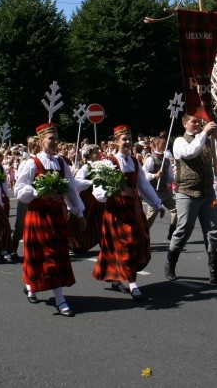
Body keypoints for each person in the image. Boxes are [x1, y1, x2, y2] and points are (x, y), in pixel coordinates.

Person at [14, 123, 86, 317]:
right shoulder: (32, 163)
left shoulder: (62, 163)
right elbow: (19, 190)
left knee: (56, 254)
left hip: (56, 215)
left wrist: (79, 212)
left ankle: (50, 293)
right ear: (40, 141)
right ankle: (46, 292)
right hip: (38, 214)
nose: (55, 141)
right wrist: (39, 191)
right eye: (51, 138)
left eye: (56, 138)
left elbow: (71, 188)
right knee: (39, 254)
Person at [92, 125, 162, 302]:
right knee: (126, 244)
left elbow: (144, 185)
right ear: (116, 142)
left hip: (134, 208)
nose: (128, 142)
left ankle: (116, 279)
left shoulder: (135, 162)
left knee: (139, 240)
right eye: (124, 139)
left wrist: (157, 203)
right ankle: (132, 283)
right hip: (117, 209)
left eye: (129, 139)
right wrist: (110, 192)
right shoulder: (109, 162)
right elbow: (98, 191)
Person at [165, 114, 217, 285]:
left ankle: (215, 272)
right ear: (185, 124)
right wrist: (204, 134)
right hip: (187, 192)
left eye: (199, 121)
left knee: (213, 232)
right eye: (194, 121)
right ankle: (171, 262)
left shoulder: (206, 139)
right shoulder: (179, 141)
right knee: (184, 229)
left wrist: (216, 137)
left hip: (207, 193)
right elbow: (190, 153)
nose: (198, 124)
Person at [66, 144, 103, 254]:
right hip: (87, 197)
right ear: (90, 155)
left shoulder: (102, 165)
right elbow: (77, 182)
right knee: (81, 220)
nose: (99, 153)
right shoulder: (86, 167)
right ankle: (74, 242)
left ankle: (103, 241)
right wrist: (91, 182)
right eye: (96, 152)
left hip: (99, 198)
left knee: (99, 219)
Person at [143, 135, 176, 236]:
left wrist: (175, 178)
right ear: (156, 145)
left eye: (166, 143)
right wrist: (154, 175)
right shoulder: (151, 159)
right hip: (154, 192)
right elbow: (143, 176)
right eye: (163, 143)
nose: (165, 144)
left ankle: (172, 230)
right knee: (151, 216)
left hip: (165, 192)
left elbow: (170, 177)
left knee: (176, 210)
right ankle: (143, 234)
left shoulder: (167, 160)